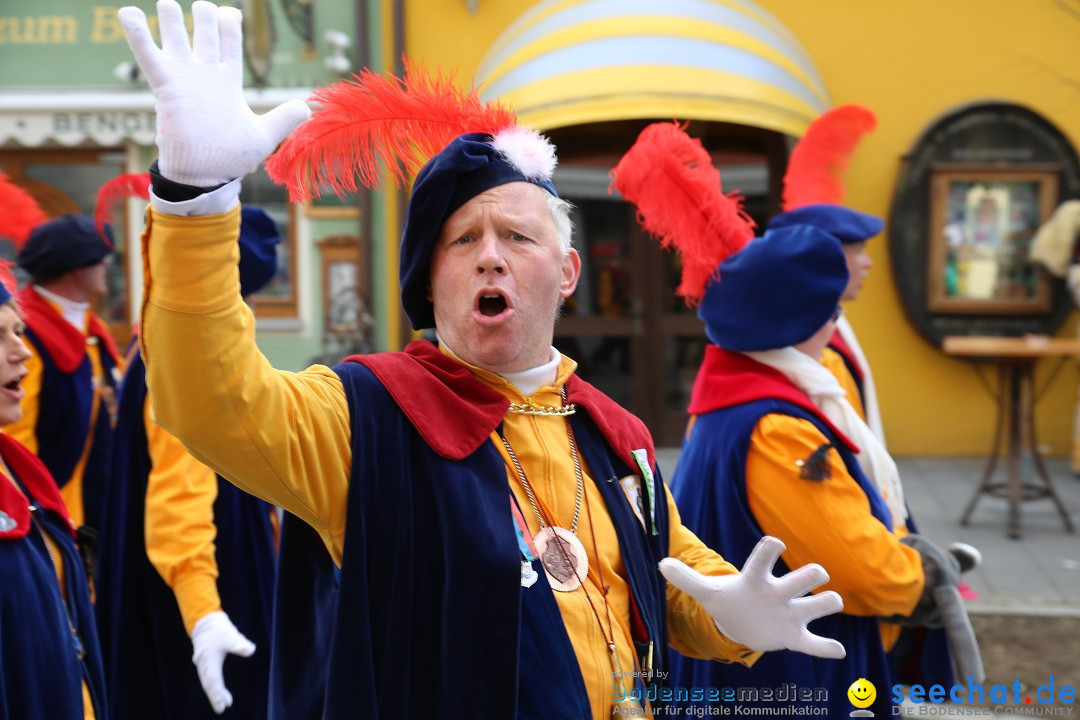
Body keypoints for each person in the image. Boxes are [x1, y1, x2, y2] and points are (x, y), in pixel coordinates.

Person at [117, 2, 847, 717]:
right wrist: (197, 202)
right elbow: (211, 401)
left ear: (566, 273)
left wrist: (733, 619)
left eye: (518, 238)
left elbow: (673, 576)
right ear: (429, 282)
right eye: (463, 241)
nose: (490, 256)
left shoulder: (613, 431)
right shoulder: (365, 416)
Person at [612, 121, 972, 717]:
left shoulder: (745, 394)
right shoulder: (776, 426)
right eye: (827, 308)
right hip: (790, 678)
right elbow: (857, 569)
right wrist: (923, 576)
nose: (836, 322)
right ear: (799, 322)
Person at [95, 206, 282, 719]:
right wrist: (204, 612)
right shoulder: (186, 356)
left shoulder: (162, 339)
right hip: (201, 592)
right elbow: (180, 499)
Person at [0, 173, 107, 718]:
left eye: (15, 332)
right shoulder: (49, 342)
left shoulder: (85, 332)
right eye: (0, 335)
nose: (18, 352)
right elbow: (26, 438)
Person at [8, 212, 121, 544]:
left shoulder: (91, 329)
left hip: (95, 506)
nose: (106, 266)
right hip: (49, 514)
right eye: (100, 260)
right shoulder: (26, 337)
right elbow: (16, 440)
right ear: (77, 269)